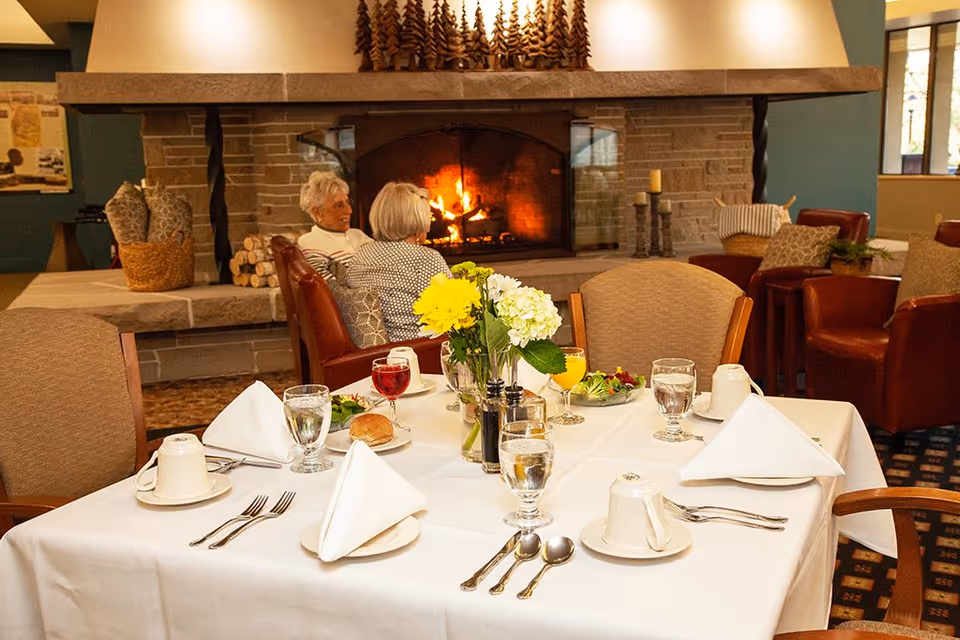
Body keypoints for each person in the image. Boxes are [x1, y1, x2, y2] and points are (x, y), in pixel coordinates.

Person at [345, 182, 452, 342]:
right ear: (417, 222)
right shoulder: (425, 259)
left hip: (376, 349)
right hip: (419, 349)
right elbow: (454, 310)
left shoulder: (361, 253)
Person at [297, 171, 371, 279]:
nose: (349, 211)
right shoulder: (310, 243)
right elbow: (329, 288)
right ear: (317, 212)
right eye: (339, 205)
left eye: (347, 202)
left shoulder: (357, 234)